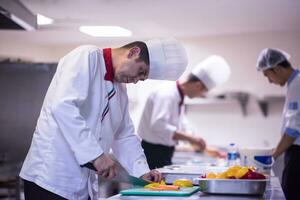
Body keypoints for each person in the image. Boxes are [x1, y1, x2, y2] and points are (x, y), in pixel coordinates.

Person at [19, 38, 188, 200]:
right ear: (133, 52)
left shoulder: (120, 91)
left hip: (81, 184)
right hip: (50, 178)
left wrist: (142, 171)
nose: (136, 81)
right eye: (140, 72)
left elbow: (124, 135)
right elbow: (63, 107)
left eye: (141, 79)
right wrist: (96, 156)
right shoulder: (86, 57)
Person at [137, 55, 231, 169]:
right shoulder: (166, 93)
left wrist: (205, 149)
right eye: (203, 92)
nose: (201, 96)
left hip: (163, 152)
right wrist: (191, 139)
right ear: (198, 85)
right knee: (152, 187)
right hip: (152, 153)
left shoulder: (178, 96)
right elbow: (158, 125)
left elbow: (181, 129)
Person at [256, 48, 300, 200]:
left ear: (276, 69)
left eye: (267, 75)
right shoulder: (294, 84)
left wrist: (272, 157)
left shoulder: (298, 84)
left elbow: (293, 130)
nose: (269, 80)